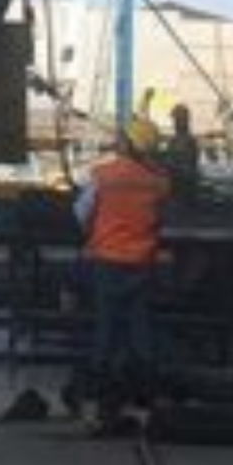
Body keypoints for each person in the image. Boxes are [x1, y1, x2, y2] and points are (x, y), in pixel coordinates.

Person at [75, 117, 171, 433]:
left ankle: (93, 409)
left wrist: (95, 230)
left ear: (127, 144)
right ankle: (142, 408)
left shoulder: (103, 175)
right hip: (141, 264)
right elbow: (161, 216)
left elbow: (81, 213)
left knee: (105, 333)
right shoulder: (158, 181)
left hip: (106, 262)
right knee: (141, 335)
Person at [163, 102, 204, 209]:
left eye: (177, 119)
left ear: (185, 120)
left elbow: (187, 168)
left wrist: (169, 164)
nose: (174, 123)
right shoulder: (175, 140)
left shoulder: (187, 141)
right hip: (178, 188)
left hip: (183, 190)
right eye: (175, 120)